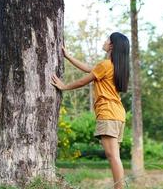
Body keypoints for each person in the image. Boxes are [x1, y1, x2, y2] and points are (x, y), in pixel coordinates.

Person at [51, 32, 130, 189]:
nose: (105, 40)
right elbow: (89, 69)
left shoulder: (105, 65)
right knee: (115, 156)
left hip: (108, 113)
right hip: (118, 114)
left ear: (112, 45)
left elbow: (83, 81)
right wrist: (68, 56)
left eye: (107, 39)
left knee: (112, 156)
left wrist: (64, 86)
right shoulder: (113, 66)